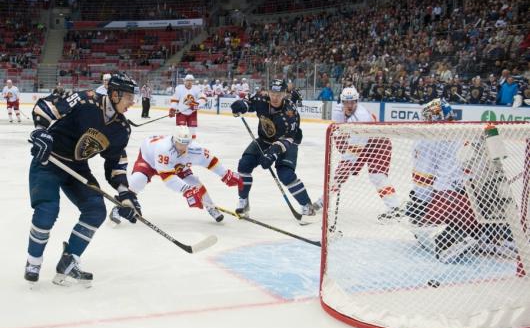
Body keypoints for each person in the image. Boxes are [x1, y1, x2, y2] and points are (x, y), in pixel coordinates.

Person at [25, 73, 140, 286]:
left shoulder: (121, 129)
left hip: (77, 168)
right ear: (114, 94)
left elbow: (115, 162)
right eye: (128, 97)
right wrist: (41, 132)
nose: (132, 102)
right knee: (47, 210)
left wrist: (125, 192)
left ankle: (69, 261)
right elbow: (46, 106)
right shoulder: (85, 100)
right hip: (50, 161)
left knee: (96, 209)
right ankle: (33, 261)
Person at [402, 98, 512, 263]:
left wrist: (419, 204)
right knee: (483, 213)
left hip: (449, 200)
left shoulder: (426, 140)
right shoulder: (468, 130)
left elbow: (423, 180)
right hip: (483, 198)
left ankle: (455, 238)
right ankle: (494, 235)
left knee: (419, 225)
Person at [109, 126, 243, 224]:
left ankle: (211, 207)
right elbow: (167, 178)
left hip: (174, 164)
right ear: (174, 140)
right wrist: (186, 191)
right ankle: (119, 207)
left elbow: (211, 161)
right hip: (149, 159)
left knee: (195, 184)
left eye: (186, 144)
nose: (182, 147)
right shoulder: (164, 149)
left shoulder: (195, 149)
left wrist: (225, 174)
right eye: (180, 143)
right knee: (137, 181)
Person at [230, 79, 317, 222]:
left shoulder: (290, 112)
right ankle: (243, 201)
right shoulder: (261, 98)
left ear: (284, 94)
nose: (275, 97)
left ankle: (306, 205)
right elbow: (250, 103)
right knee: (244, 165)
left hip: (288, 142)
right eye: (272, 93)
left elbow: (288, 138)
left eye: (279, 94)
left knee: (285, 174)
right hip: (264, 140)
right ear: (269, 92)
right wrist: (242, 105)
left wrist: (273, 153)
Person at [312, 87, 401, 220]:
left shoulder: (360, 118)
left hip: (378, 144)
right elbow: (340, 132)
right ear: (341, 101)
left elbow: (352, 153)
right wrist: (342, 144)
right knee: (341, 173)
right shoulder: (337, 111)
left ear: (356, 101)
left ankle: (394, 208)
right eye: (346, 102)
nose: (349, 105)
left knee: (377, 176)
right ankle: (323, 201)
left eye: (352, 102)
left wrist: (344, 165)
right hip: (360, 141)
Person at [169, 74, 207, 140]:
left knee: (192, 130)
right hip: (181, 112)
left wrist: (196, 104)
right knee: (181, 130)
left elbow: (203, 98)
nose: (189, 82)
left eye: (191, 81)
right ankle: (179, 144)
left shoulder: (196, 89)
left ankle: (192, 144)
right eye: (188, 81)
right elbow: (174, 100)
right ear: (184, 81)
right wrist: (173, 109)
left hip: (192, 113)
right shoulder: (179, 88)